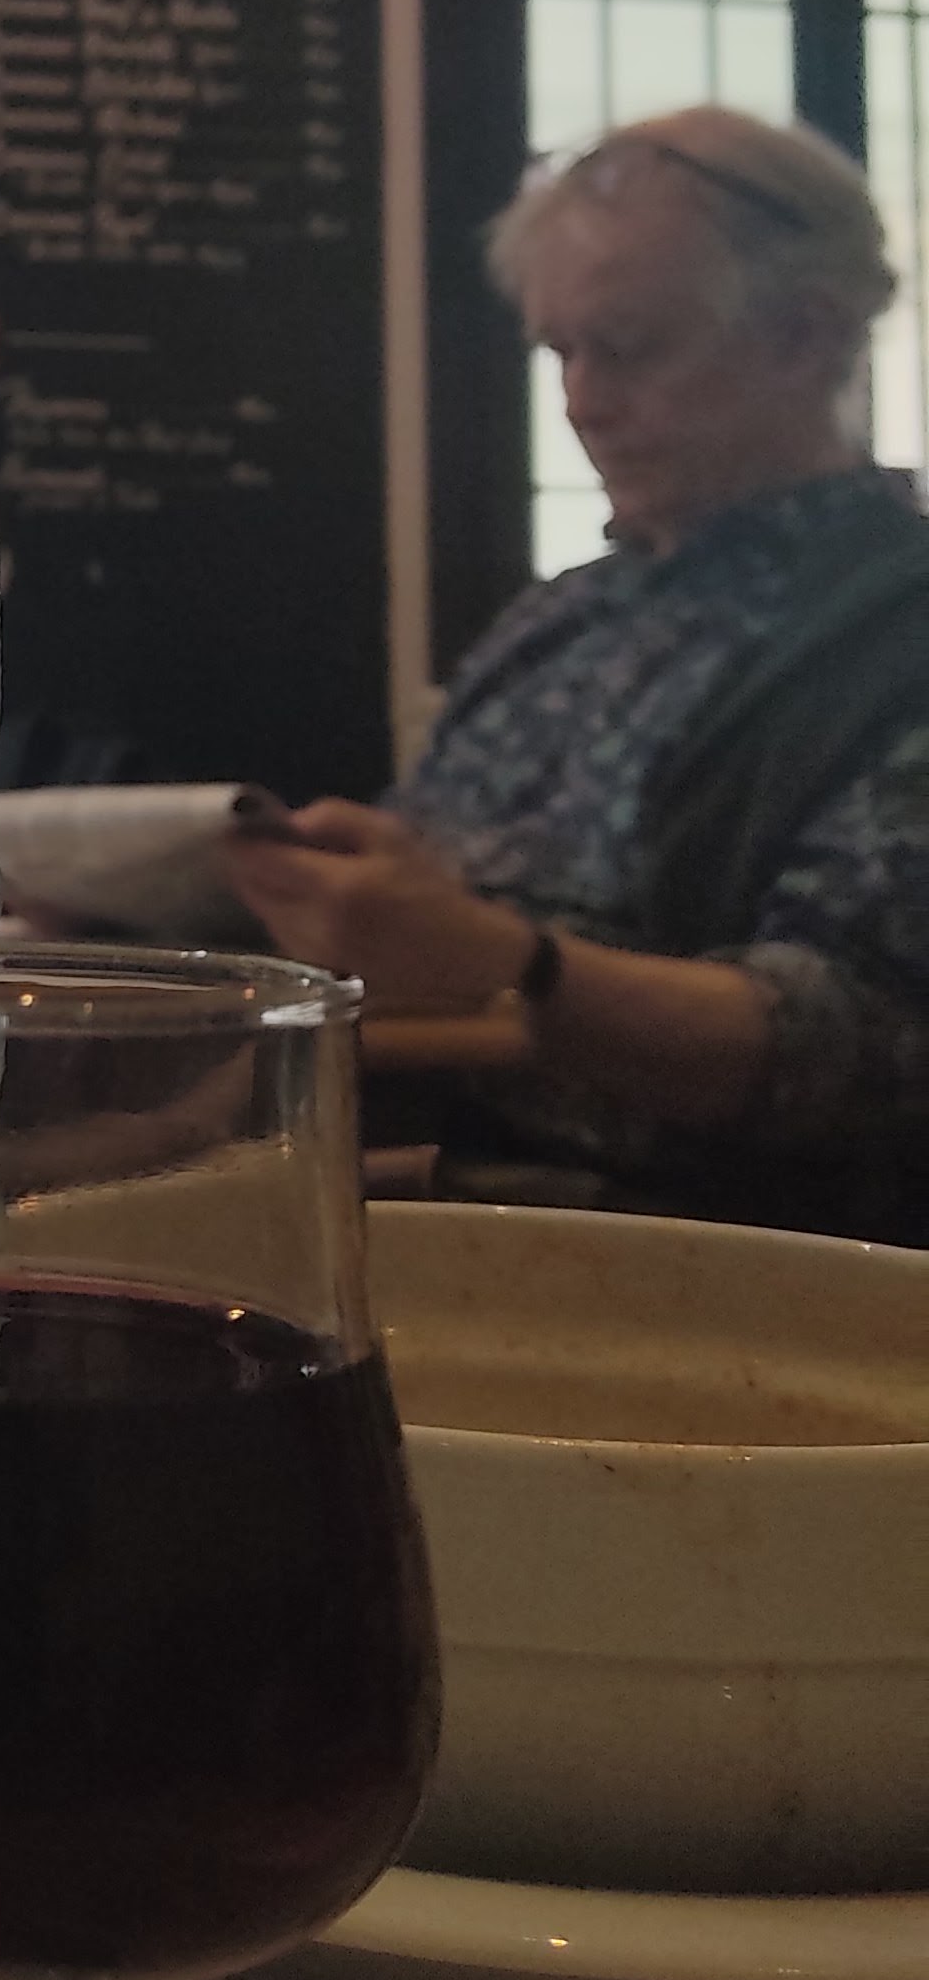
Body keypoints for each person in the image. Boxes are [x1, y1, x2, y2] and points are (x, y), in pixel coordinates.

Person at [225, 106, 929, 1241]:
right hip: (414, 1176)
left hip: (711, 1256)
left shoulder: (900, 629)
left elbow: (861, 1048)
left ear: (806, 334)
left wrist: (516, 970)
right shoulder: (563, 614)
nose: (582, 403)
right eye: (561, 352)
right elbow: (410, 919)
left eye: (630, 347)